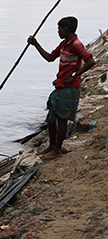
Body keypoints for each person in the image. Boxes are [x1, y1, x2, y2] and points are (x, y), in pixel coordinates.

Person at [28, 16, 96, 160]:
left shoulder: (76, 45)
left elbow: (90, 61)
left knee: (62, 119)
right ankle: (52, 146)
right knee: (51, 117)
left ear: (66, 29)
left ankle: (57, 149)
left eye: (59, 28)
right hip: (60, 85)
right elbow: (50, 58)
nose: (58, 31)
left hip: (70, 87)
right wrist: (35, 44)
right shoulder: (64, 44)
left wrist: (74, 76)